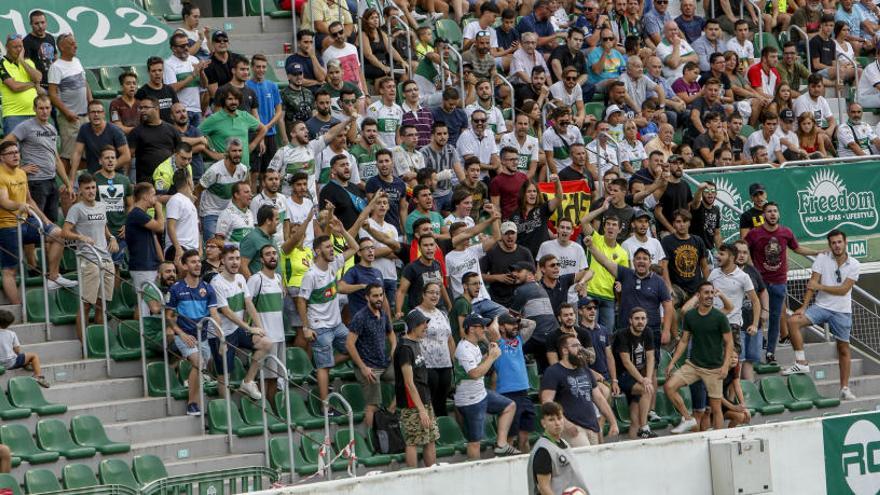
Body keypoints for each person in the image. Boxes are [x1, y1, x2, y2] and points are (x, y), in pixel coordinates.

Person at [785, 230, 860, 401]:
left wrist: (821, 287)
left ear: (845, 242)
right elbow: (812, 284)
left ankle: (845, 388)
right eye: (833, 243)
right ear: (829, 244)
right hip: (821, 307)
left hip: (842, 310)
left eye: (839, 242)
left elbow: (843, 290)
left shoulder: (854, 264)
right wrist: (803, 307)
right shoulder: (822, 258)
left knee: (843, 348)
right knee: (793, 321)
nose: (837, 245)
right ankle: (801, 362)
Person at [745, 202, 817, 365]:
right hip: (759, 284)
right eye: (769, 211)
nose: (772, 214)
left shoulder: (786, 232)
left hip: (779, 283)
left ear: (778, 214)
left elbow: (797, 249)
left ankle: (770, 353)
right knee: (756, 317)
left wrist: (817, 252)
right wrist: (751, 269)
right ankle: (753, 352)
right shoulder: (754, 234)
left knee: (775, 319)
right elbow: (742, 249)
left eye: (775, 211)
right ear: (763, 215)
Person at [297, 223, 359, 403]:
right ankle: (325, 405)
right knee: (324, 367)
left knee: (354, 348)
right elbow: (301, 301)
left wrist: (343, 230)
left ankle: (323, 364)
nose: (332, 250)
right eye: (328, 247)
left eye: (332, 247)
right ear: (317, 251)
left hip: (337, 325)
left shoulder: (334, 264)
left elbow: (355, 248)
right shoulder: (311, 275)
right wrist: (306, 328)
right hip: (320, 327)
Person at [665, 282, 735, 433]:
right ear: (699, 296)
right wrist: (672, 362)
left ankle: (720, 437)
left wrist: (725, 365)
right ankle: (688, 419)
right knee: (669, 387)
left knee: (716, 409)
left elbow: (729, 343)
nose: (710, 296)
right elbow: (684, 341)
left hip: (714, 368)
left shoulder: (719, 317)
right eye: (706, 293)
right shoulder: (690, 316)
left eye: (711, 293)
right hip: (693, 365)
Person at [61, 173, 118, 341]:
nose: (91, 191)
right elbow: (65, 232)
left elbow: (104, 228)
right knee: (86, 304)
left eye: (93, 187)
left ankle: (99, 343)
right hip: (88, 259)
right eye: (87, 188)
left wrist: (112, 238)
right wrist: (80, 237)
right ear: (81, 190)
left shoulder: (101, 206)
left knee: (102, 305)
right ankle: (84, 345)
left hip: (106, 259)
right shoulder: (76, 208)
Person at [210, 245, 271, 400]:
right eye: (231, 259)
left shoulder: (240, 278)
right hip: (221, 334)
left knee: (266, 343)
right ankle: (226, 411)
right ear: (222, 261)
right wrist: (249, 328)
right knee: (224, 376)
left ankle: (248, 382)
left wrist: (260, 328)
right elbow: (227, 312)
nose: (235, 262)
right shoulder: (216, 283)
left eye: (237, 258)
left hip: (237, 329)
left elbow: (249, 304)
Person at [455, 313, 520, 459]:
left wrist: (488, 355)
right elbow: (475, 373)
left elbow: (478, 365)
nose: (485, 329)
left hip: (481, 393)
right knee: (475, 442)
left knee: (510, 406)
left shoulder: (474, 345)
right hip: (470, 400)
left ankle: (501, 445)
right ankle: (475, 472)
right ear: (471, 329)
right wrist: (491, 357)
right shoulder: (463, 348)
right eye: (481, 326)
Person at [166, 249, 221, 416]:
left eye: (199, 261)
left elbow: (214, 315)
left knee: (206, 364)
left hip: (202, 337)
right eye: (192, 262)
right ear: (184, 265)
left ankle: (191, 381)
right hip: (184, 335)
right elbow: (168, 316)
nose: (197, 265)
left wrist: (220, 336)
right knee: (198, 362)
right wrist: (180, 334)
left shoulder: (208, 289)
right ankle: (192, 404)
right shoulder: (176, 289)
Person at [4, 95, 73, 225]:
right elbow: (5, 146)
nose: (45, 111)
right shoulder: (25, 126)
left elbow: (56, 159)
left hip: (52, 181)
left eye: (47, 108)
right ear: (34, 109)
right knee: (34, 223)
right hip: (35, 182)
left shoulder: (52, 129)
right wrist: (19, 170)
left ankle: (47, 246)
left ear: (51, 108)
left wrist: (68, 184)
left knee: (51, 224)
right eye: (41, 108)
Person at [541, 333, 619, 446]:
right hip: (573, 428)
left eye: (580, 346)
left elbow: (599, 399)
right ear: (565, 350)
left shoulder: (585, 370)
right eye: (575, 346)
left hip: (592, 426)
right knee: (584, 460)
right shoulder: (553, 372)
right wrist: (566, 424)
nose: (580, 349)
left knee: (596, 461)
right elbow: (547, 402)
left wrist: (613, 422)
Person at [394, 309, 440, 468]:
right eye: (423, 324)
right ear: (413, 326)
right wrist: (421, 409)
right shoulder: (405, 348)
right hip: (412, 404)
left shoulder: (415, 343)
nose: (426, 327)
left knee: (430, 437)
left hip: (424, 398)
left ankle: (432, 472)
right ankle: (411, 477)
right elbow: (408, 382)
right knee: (413, 440)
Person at [347, 283, 397, 427]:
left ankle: (389, 411)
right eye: (375, 296)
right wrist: (363, 367)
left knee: (407, 383)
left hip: (384, 364)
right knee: (373, 406)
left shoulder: (383, 314)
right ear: (367, 297)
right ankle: (370, 438)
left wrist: (393, 348)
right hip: (368, 367)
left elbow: (391, 333)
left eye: (381, 295)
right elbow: (349, 344)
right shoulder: (360, 317)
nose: (379, 298)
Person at [246, 244, 288, 403]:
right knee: (266, 377)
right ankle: (264, 410)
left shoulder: (278, 278)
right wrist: (254, 330)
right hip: (266, 336)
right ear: (261, 259)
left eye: (274, 253)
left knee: (275, 378)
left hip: (280, 335)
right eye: (268, 254)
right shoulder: (256, 279)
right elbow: (247, 305)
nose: (272, 256)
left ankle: (271, 408)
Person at [492, 313, 537, 450]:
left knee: (524, 438)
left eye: (516, 324)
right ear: (501, 327)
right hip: (507, 395)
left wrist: (515, 320)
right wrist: (497, 318)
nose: (516, 326)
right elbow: (493, 330)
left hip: (524, 393)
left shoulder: (519, 339)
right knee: (508, 439)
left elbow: (532, 324)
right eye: (511, 324)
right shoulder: (497, 342)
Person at [580, 203, 629, 331]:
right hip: (590, 293)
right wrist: (602, 209)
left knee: (607, 334)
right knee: (588, 331)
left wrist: (620, 285)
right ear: (604, 226)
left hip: (609, 298)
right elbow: (583, 221)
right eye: (608, 224)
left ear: (619, 229)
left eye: (614, 225)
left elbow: (623, 277)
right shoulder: (595, 238)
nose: (610, 227)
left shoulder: (622, 253)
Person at [527, 401, 590, 495]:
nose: (557, 423)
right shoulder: (543, 450)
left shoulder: (564, 443)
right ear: (543, 423)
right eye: (551, 420)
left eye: (559, 418)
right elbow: (544, 488)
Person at [612, 307, 656, 439]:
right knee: (647, 390)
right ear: (630, 320)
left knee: (634, 421)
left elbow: (650, 357)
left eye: (643, 318)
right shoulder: (622, 334)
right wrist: (644, 381)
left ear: (647, 320)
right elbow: (626, 362)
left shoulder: (648, 332)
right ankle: (645, 427)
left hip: (638, 377)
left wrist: (647, 377)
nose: (640, 321)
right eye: (637, 318)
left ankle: (637, 439)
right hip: (623, 376)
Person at [47, 33, 90, 166]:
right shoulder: (56, 67)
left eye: (75, 43)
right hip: (69, 119)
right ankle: (66, 185)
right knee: (68, 155)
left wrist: (91, 103)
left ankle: (80, 183)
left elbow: (85, 83)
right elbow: (52, 94)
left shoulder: (77, 61)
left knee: (85, 154)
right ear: (61, 47)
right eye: (71, 44)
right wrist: (67, 113)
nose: (75, 46)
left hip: (85, 116)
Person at [200, 85, 267, 171]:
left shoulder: (244, 116)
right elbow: (196, 134)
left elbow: (263, 129)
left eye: (236, 99)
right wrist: (211, 153)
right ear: (224, 100)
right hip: (223, 171)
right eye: (230, 99)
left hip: (244, 169)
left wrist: (252, 145)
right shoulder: (214, 119)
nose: (233, 102)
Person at [509, 261, 559, 372]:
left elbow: (511, 317)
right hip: (552, 335)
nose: (514, 274)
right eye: (513, 271)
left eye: (518, 271)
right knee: (546, 371)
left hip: (537, 336)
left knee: (509, 350)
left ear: (530, 274)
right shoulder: (540, 287)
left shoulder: (522, 290)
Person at [196, 138, 249, 242]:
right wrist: (196, 215)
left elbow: (244, 192)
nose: (237, 154)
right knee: (212, 246)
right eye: (234, 151)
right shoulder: (214, 171)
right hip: (210, 212)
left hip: (229, 213)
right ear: (227, 152)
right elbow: (197, 190)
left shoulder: (243, 170)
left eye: (239, 150)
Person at [126, 182, 165, 316]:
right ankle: (142, 334)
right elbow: (160, 227)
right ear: (146, 196)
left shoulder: (142, 215)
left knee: (146, 304)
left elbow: (154, 239)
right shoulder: (137, 214)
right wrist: (159, 208)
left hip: (149, 265)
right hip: (142, 267)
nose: (156, 199)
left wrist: (161, 262)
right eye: (153, 195)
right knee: (145, 306)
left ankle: (142, 334)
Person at [68, 100, 131, 180]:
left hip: (114, 175)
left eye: (99, 112)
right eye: (93, 112)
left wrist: (104, 170)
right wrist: (71, 179)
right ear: (88, 115)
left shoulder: (115, 131)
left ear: (104, 114)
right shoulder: (84, 129)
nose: (96, 115)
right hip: (93, 177)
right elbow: (77, 153)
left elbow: (126, 156)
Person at [93, 147, 132, 266]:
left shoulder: (124, 180)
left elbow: (130, 205)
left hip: (121, 232)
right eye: (107, 158)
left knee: (117, 267)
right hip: (100, 233)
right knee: (103, 267)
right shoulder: (94, 179)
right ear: (100, 161)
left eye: (113, 158)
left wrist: (127, 224)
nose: (110, 161)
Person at [661, 209, 710, 303]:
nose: (682, 224)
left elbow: (704, 267)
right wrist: (669, 287)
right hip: (677, 287)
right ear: (673, 224)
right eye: (678, 221)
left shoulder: (698, 240)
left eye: (685, 221)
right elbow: (664, 266)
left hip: (696, 287)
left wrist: (708, 286)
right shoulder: (667, 241)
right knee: (669, 304)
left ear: (689, 223)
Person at [128, 96, 182, 184]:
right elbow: (128, 157)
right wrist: (128, 179)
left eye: (146, 107)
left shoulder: (172, 129)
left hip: (169, 180)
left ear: (156, 109)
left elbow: (180, 154)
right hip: (146, 182)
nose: (142, 110)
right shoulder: (136, 132)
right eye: (140, 108)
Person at [164, 31, 208, 127]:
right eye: (182, 46)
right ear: (173, 49)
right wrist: (193, 75)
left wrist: (201, 72)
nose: (186, 48)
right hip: (181, 111)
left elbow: (204, 86)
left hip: (197, 109)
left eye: (187, 44)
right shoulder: (168, 63)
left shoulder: (194, 60)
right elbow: (172, 88)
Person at [0, 34, 40, 135]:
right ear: (7, 47)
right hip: (14, 116)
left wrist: (22, 61)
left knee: (34, 150)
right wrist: (33, 84)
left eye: (20, 46)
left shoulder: (28, 62)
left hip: (34, 114)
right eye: (15, 47)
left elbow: (38, 78)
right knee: (13, 150)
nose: (18, 49)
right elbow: (14, 86)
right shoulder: (2, 63)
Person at [0, 308, 49, 387]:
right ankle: (38, 376)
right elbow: (17, 350)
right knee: (33, 356)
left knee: (21, 358)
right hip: (11, 363)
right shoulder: (11, 334)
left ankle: (25, 364)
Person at [135, 56, 179, 123]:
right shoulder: (142, 92)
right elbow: (139, 115)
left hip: (170, 130)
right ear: (148, 72)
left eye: (160, 70)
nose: (157, 73)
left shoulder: (170, 89)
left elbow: (177, 109)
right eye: (154, 71)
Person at [22, 10, 56, 94]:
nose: (40, 26)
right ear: (31, 24)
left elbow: (55, 58)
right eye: (36, 23)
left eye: (42, 22)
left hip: (53, 85)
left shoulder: (50, 38)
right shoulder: (26, 41)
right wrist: (37, 86)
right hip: (39, 88)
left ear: (46, 22)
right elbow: (26, 66)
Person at [215, 182, 255, 247]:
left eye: (250, 192)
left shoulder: (250, 213)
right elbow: (219, 240)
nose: (251, 195)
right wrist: (234, 247)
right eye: (246, 192)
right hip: (233, 255)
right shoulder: (226, 214)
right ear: (236, 195)